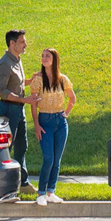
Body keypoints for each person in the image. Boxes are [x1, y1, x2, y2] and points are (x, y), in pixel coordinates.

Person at [0, 29, 40, 194]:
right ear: (12, 44)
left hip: (18, 109)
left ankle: (23, 183)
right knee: (7, 148)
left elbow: (17, 84)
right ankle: (5, 187)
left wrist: (32, 80)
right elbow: (1, 91)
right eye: (22, 42)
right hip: (9, 109)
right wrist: (24, 100)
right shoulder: (4, 64)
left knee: (22, 147)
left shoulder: (17, 60)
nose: (25, 45)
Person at [29, 48, 76, 206]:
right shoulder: (38, 79)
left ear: (54, 59)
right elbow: (33, 104)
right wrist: (36, 124)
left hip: (60, 122)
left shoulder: (62, 79)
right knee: (48, 158)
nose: (43, 58)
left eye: (47, 56)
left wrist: (66, 113)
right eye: (42, 56)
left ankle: (51, 192)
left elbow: (72, 98)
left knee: (57, 160)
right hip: (44, 120)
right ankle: (41, 193)